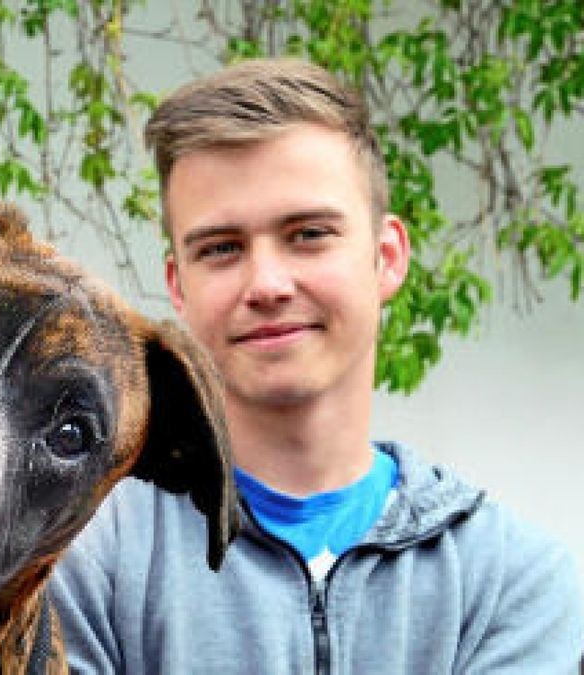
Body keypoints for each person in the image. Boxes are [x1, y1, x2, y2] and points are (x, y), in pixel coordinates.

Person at [50, 57, 584, 673]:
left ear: (386, 257)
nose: (268, 283)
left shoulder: (506, 580)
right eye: (221, 248)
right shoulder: (85, 558)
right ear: (179, 286)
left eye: (308, 234)